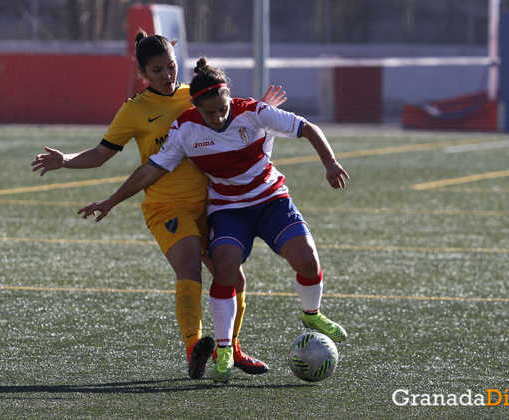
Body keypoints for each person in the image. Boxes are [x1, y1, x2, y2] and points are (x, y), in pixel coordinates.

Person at [78, 57, 349, 384]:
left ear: (228, 97)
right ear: (194, 105)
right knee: (226, 271)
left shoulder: (254, 112)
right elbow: (151, 169)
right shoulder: (185, 128)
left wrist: (330, 163)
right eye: (210, 113)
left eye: (222, 109)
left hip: (271, 199)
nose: (219, 117)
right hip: (228, 209)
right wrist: (112, 200)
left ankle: (312, 315)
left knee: (307, 261)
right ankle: (223, 350)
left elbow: (307, 128)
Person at [32, 32, 286, 380]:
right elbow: (101, 154)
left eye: (170, 66)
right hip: (167, 206)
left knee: (234, 279)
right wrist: (66, 160)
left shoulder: (194, 95)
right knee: (189, 272)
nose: (167, 75)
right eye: (157, 70)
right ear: (142, 72)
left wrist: (264, 108)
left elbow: (230, 116)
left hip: (213, 204)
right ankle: (195, 349)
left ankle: (231, 349)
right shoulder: (134, 110)